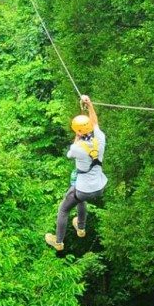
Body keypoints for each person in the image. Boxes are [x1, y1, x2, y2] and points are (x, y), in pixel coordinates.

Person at [45, 95, 106, 251]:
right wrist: (89, 105)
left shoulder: (77, 148)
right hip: (100, 186)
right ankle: (80, 228)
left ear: (78, 132)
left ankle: (58, 242)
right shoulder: (100, 137)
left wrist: (77, 136)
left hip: (85, 188)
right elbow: (95, 121)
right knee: (79, 198)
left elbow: (69, 154)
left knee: (64, 209)